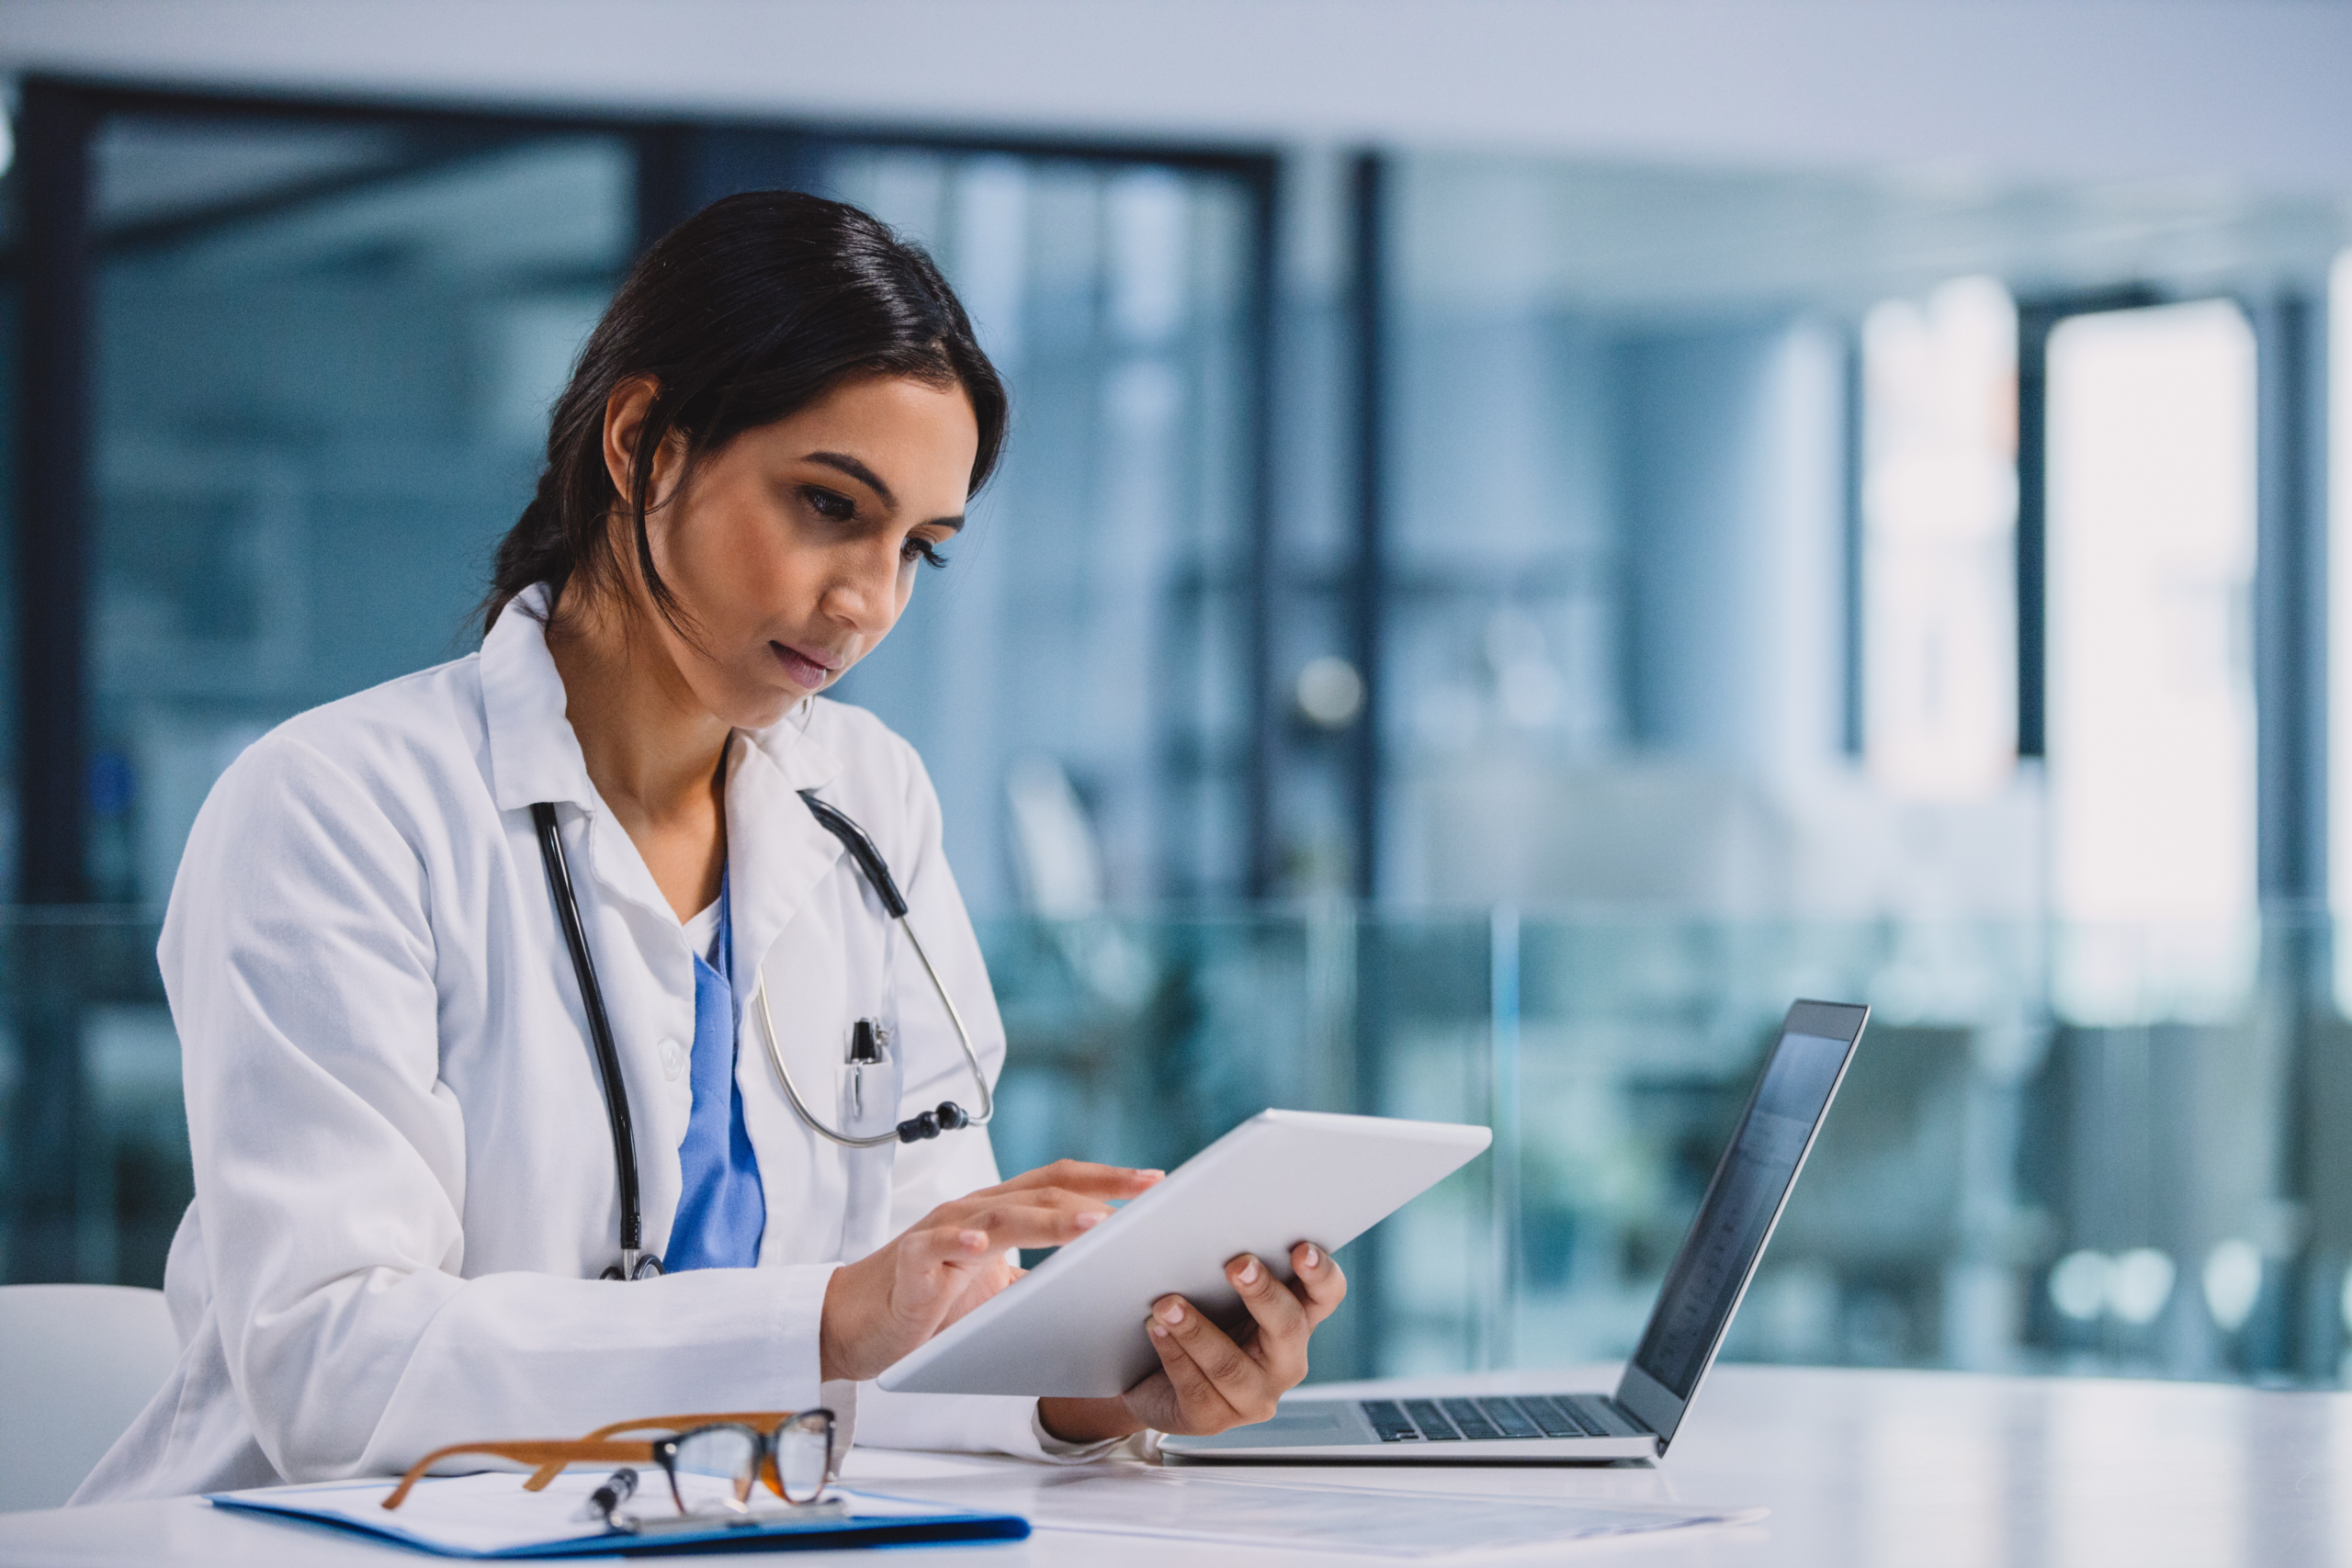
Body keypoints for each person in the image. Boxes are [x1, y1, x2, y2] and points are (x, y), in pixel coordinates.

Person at [76, 191, 1344, 1502]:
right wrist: (827, 1321)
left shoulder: (872, 802)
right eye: (826, 506)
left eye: (922, 551)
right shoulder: (338, 807)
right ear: (642, 444)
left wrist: (1110, 1387)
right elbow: (334, 1376)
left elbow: (926, 1324)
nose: (866, 603)